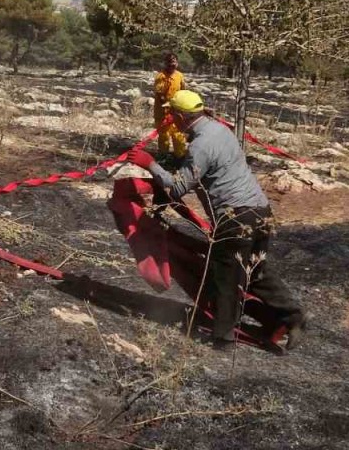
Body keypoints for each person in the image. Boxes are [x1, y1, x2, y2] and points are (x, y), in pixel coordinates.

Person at [126, 90, 306, 351]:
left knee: (227, 276)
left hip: (235, 217)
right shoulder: (220, 130)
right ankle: (292, 315)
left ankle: (223, 338)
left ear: (179, 116)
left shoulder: (201, 145)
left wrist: (150, 164)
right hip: (260, 211)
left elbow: (177, 188)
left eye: (171, 115)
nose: (170, 120)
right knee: (255, 271)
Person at [152, 53, 188, 159]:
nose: (171, 65)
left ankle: (180, 157)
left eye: (174, 62)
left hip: (177, 112)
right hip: (162, 113)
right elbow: (160, 94)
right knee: (164, 136)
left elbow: (183, 91)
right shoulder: (160, 76)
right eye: (169, 62)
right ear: (165, 63)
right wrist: (167, 106)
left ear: (177, 63)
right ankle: (163, 157)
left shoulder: (180, 76)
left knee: (179, 136)